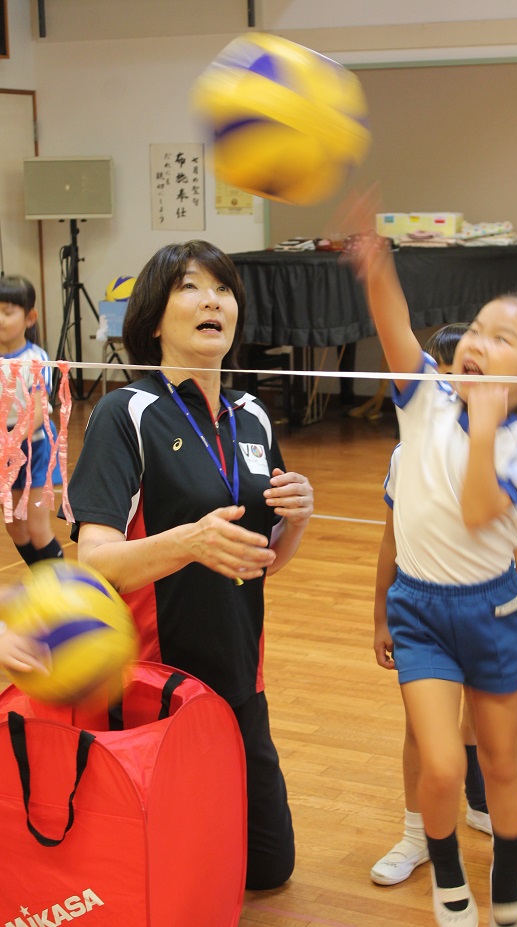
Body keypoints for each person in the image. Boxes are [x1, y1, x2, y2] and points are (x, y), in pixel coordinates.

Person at [345, 196, 517, 927]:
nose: (480, 340)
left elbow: (482, 509)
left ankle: (506, 881)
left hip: (490, 613)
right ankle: (446, 874)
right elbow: (393, 329)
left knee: (499, 764)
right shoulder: (422, 396)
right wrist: (377, 267)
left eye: (502, 336)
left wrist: (485, 425)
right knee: (441, 764)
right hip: (420, 611)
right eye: (478, 327)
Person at [66, 239, 314, 891]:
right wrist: (188, 542)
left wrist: (298, 520)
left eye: (222, 289)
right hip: (157, 683)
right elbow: (93, 562)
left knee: (269, 868)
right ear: (153, 318)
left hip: (240, 678)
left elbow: (264, 560)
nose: (212, 300)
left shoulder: (253, 416)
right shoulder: (127, 413)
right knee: (170, 881)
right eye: (189, 288)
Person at [370, 323, 517, 901]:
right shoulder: (411, 450)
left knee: (495, 746)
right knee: (425, 740)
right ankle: (416, 834)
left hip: (491, 614)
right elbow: (391, 542)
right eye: (448, 371)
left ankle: (502, 847)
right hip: (422, 611)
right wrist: (380, 616)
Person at [0, 275, 64, 566]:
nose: (0, 319)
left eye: (8, 311)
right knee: (15, 527)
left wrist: (12, 440)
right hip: (5, 451)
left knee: (38, 529)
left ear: (29, 317)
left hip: (34, 448)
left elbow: (39, 409)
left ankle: (64, 591)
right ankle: (44, 583)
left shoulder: (35, 358)